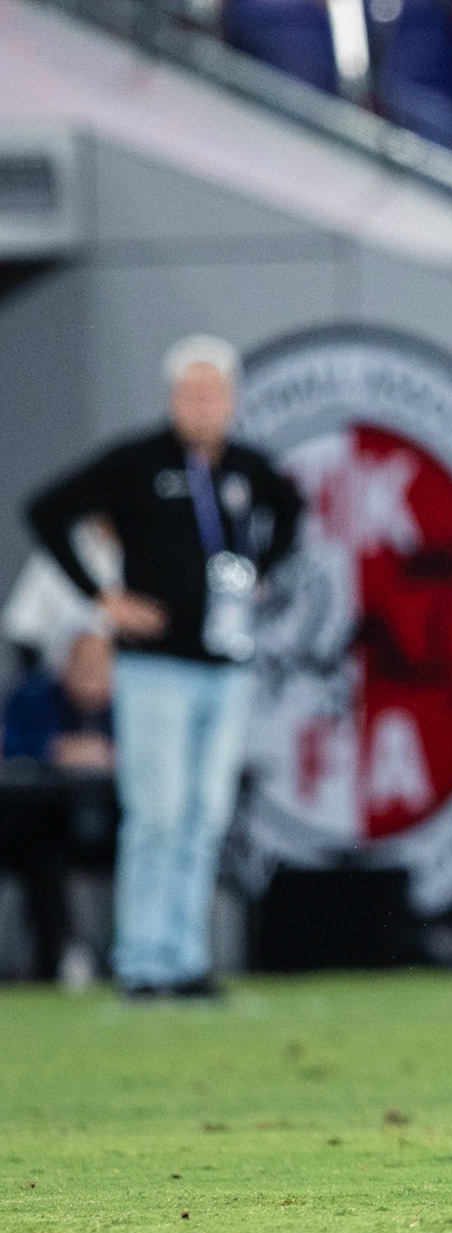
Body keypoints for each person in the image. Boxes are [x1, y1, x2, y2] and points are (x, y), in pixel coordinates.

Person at [28, 335, 304, 1001]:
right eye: (191, 393)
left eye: (214, 394)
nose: (203, 405)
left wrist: (263, 574)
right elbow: (46, 510)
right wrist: (103, 599)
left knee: (205, 816)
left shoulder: (247, 468)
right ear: (173, 398)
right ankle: (143, 960)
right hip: (155, 667)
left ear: (232, 400)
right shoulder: (137, 462)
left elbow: (293, 512)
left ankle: (184, 957)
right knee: (157, 812)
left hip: (226, 663)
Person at [1, 629, 115, 987]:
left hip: (112, 831)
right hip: (41, 832)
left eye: (102, 665)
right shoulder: (36, 697)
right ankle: (54, 962)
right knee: (46, 855)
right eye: (84, 664)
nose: (92, 674)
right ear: (66, 665)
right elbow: (12, 743)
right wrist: (55, 748)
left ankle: (126, 957)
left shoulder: (130, 708)